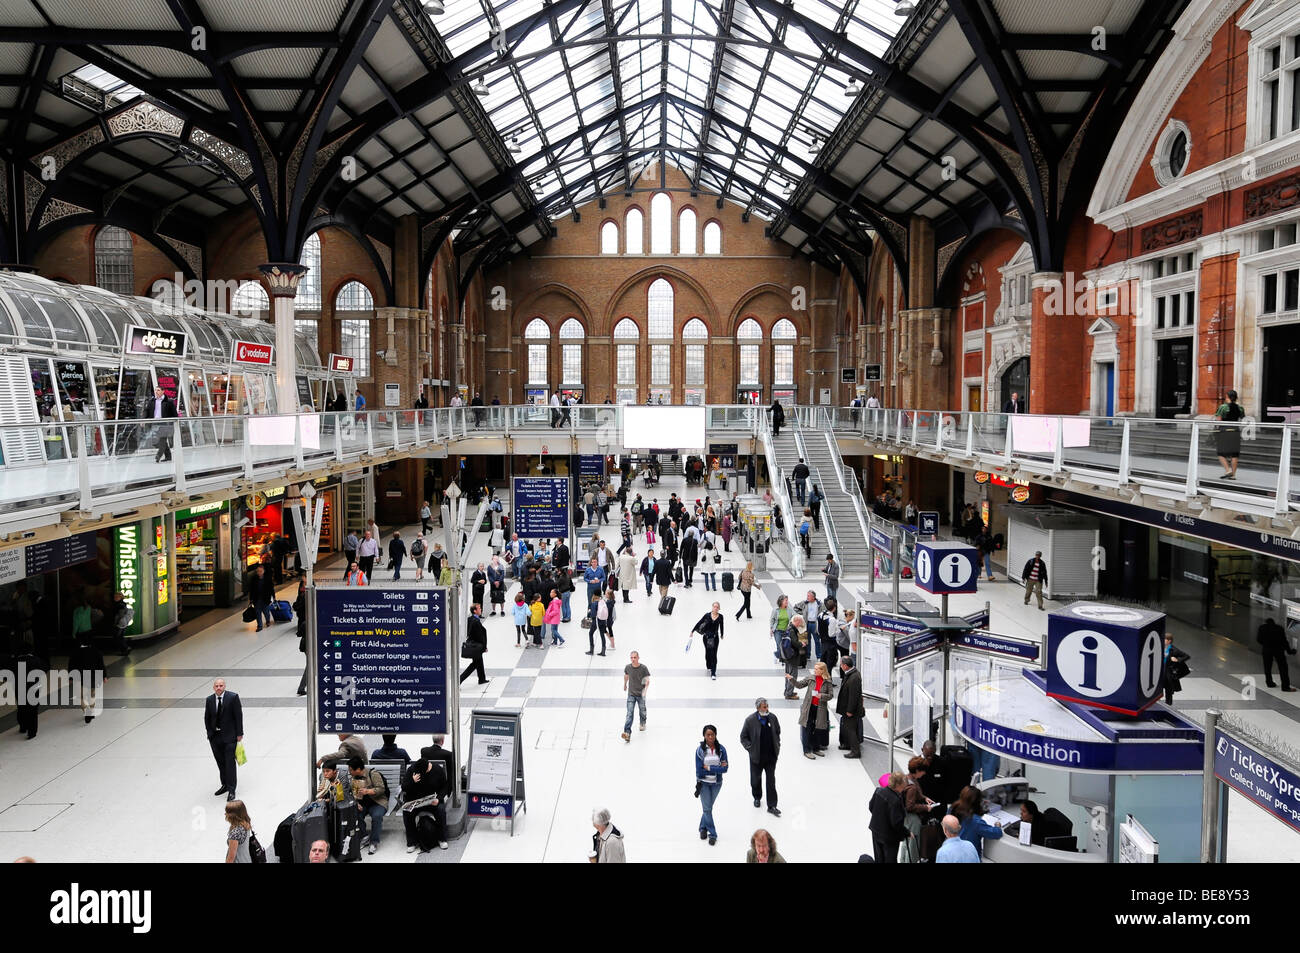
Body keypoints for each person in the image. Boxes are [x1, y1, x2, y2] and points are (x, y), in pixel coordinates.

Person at [739, 698, 781, 817]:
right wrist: (750, 748)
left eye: (767, 706)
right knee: (755, 780)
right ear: (758, 708)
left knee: (771, 781)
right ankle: (757, 797)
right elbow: (743, 737)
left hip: (771, 756)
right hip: (756, 757)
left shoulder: (772, 718)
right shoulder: (750, 720)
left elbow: (778, 732)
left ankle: (772, 805)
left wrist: (777, 745)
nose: (766, 709)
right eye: (764, 707)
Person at [204, 678, 243, 801]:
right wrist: (209, 733)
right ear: (213, 687)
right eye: (216, 686)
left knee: (230, 763)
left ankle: (232, 789)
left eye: (221, 685)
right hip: (215, 737)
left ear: (224, 686)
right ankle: (225, 785)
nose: (219, 688)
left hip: (230, 736)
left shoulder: (233, 697)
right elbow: (207, 717)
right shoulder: (209, 700)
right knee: (220, 762)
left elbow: (238, 715)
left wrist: (239, 733)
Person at [401, 753, 449, 852]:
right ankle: (412, 841)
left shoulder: (437, 770)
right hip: (416, 801)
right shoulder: (412, 769)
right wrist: (412, 781)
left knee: (440, 810)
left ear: (427, 769)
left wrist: (439, 799)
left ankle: (442, 838)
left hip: (432, 801)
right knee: (407, 812)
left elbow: (445, 787)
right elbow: (404, 787)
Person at [789, 661, 834, 758]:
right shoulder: (810, 678)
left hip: (820, 708)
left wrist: (821, 695)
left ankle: (816, 748)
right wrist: (791, 679)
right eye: (815, 668)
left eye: (817, 669)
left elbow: (831, 695)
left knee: (818, 728)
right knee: (807, 727)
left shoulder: (828, 681)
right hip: (809, 707)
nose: (815, 670)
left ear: (822, 671)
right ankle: (807, 750)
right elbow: (799, 685)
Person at [346, 756, 390, 855]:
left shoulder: (373, 774)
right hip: (362, 802)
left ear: (358, 769)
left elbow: (381, 789)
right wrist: (356, 803)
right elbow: (351, 793)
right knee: (354, 813)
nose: (350, 772)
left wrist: (368, 791)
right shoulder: (353, 778)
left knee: (377, 816)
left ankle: (374, 842)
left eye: (351, 770)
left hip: (378, 801)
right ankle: (364, 836)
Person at [695, 724, 729, 846]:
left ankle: (702, 827)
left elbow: (725, 769)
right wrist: (717, 768)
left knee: (707, 808)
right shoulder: (700, 751)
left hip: (716, 784)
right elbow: (699, 770)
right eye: (708, 735)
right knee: (707, 808)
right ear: (704, 736)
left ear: (715, 735)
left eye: (712, 734)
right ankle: (713, 834)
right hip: (703, 784)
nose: (710, 737)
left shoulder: (721, 750)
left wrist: (709, 767)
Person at [953, 785, 1003, 858]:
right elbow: (996, 833)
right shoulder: (975, 821)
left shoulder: (953, 809)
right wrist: (997, 826)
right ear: (977, 803)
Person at [868, 772, 907, 863]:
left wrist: (881, 818)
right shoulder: (895, 800)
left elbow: (871, 807)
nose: (905, 787)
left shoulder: (879, 791)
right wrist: (906, 832)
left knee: (879, 858)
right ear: (897, 785)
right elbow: (896, 823)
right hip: (889, 837)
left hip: (876, 831)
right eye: (903, 784)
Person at [67, 637, 106, 724]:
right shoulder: (96, 651)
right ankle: (91, 711)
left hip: (79, 676)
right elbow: (101, 665)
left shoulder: (75, 652)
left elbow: (71, 665)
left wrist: (70, 677)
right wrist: (104, 676)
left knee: (81, 697)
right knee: (92, 695)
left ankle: (86, 712)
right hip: (93, 676)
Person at [1257, 617, 1297, 691]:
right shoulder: (1279, 628)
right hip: (1278, 651)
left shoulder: (1262, 628)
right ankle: (1285, 687)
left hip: (1267, 650)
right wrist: (1290, 651)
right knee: (1283, 668)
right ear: (1274, 623)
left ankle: (1269, 683)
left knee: (1267, 667)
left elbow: (1259, 640)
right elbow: (1284, 642)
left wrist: (1266, 644)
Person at [836, 655, 864, 758]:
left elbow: (854, 696)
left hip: (851, 709)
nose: (840, 666)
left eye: (841, 664)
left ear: (845, 666)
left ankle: (855, 751)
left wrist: (850, 710)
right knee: (847, 727)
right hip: (847, 707)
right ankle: (847, 745)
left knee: (851, 729)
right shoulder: (851, 673)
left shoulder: (854, 677)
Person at [1215, 390, 1245, 480]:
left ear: (1227, 396)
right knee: (1235, 454)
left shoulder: (1223, 407)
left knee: (1220, 452)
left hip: (1225, 431)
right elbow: (1242, 417)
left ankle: (1228, 470)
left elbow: (1218, 419)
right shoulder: (1240, 408)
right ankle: (1233, 475)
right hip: (1235, 431)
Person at [621, 651, 649, 742]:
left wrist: (644, 691)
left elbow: (647, 680)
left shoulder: (643, 668)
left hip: (640, 694)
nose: (633, 659)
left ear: (638, 658)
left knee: (642, 710)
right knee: (629, 713)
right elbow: (626, 675)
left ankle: (642, 722)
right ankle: (627, 733)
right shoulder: (628, 667)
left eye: (635, 657)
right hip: (631, 694)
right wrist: (625, 684)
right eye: (631, 658)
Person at [693, 603, 725, 679]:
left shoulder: (720, 616)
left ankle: (713, 673)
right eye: (714, 607)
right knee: (708, 653)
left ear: (719, 608)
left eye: (717, 607)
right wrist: (692, 631)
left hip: (715, 638)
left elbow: (722, 626)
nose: (716, 608)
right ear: (712, 607)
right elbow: (699, 622)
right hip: (706, 638)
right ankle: (709, 665)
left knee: (714, 654)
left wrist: (722, 634)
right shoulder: (707, 615)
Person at [460, 603, 490, 685]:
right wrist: (484, 647)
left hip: (474, 645)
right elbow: (479, 636)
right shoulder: (475, 621)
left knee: (479, 661)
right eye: (479, 608)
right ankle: (460, 679)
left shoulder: (470, 619)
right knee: (475, 664)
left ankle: (482, 679)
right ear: (475, 611)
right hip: (476, 646)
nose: (481, 609)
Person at [1161, 633, 1190, 705]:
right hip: (1161, 672)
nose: (1163, 640)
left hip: (1168, 673)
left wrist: (1177, 660)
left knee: (1168, 690)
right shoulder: (1161, 647)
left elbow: (1186, 656)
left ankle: (1168, 704)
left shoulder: (1174, 650)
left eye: (1165, 639)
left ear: (1169, 641)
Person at [149, 388, 177, 462]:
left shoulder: (169, 401)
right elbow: (147, 411)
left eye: (158, 390)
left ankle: (158, 456)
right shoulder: (152, 401)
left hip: (165, 424)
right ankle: (168, 456)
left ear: (163, 391)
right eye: (155, 390)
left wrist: (172, 422)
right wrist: (143, 420)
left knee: (162, 440)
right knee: (154, 442)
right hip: (155, 424)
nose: (156, 392)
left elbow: (175, 414)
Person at [246, 563, 275, 631]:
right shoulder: (254, 579)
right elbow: (251, 589)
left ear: (264, 571)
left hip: (265, 598)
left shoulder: (268, 578)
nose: (259, 573)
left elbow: (271, 588)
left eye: (260, 571)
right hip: (257, 599)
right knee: (257, 612)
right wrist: (251, 599)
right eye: (258, 571)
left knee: (266, 612)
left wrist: (273, 597)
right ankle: (259, 626)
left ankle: (268, 621)